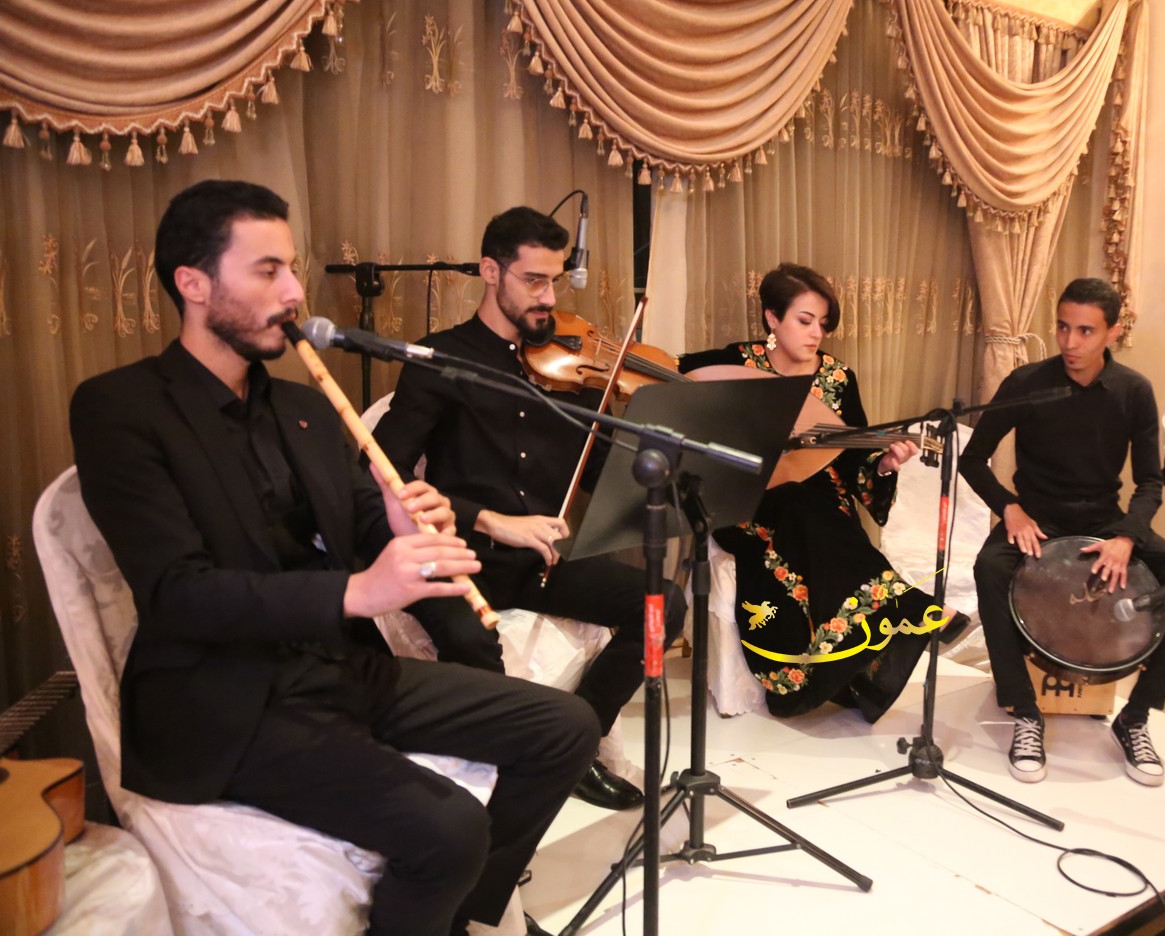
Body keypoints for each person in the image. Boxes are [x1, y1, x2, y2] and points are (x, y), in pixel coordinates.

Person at [69, 180, 598, 936]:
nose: (294, 292)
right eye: (268, 271)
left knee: (565, 726)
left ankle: (462, 916)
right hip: (222, 699)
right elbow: (177, 593)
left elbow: (364, 524)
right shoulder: (122, 408)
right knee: (449, 829)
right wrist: (356, 593)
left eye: (292, 268)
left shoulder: (303, 407)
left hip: (334, 667)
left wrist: (400, 529)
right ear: (193, 283)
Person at [371, 205, 685, 812]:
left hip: (539, 561)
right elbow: (382, 469)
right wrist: (489, 520)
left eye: (556, 281)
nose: (549, 298)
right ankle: (501, 784)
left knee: (662, 605)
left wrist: (661, 454)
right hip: (459, 556)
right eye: (534, 281)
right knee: (473, 642)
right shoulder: (441, 359)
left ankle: (579, 741)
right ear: (491, 272)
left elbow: (605, 468)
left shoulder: (573, 371)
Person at [677, 263, 961, 721]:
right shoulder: (737, 362)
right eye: (805, 321)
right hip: (748, 499)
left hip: (820, 498)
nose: (816, 334)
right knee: (800, 506)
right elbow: (671, 379)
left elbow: (851, 456)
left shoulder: (838, 378)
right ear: (772, 318)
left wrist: (883, 464)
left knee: (816, 511)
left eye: (823, 324)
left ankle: (848, 662)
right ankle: (904, 604)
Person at [962, 278, 1165, 786]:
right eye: (1063, 327)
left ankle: (1135, 717)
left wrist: (1127, 536)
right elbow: (972, 459)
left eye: (1086, 331)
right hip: (1037, 516)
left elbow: (1150, 482)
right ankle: (1025, 711)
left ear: (1113, 332)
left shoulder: (1133, 390)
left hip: (1102, 519)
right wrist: (1009, 509)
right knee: (989, 568)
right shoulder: (1027, 381)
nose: (1070, 342)